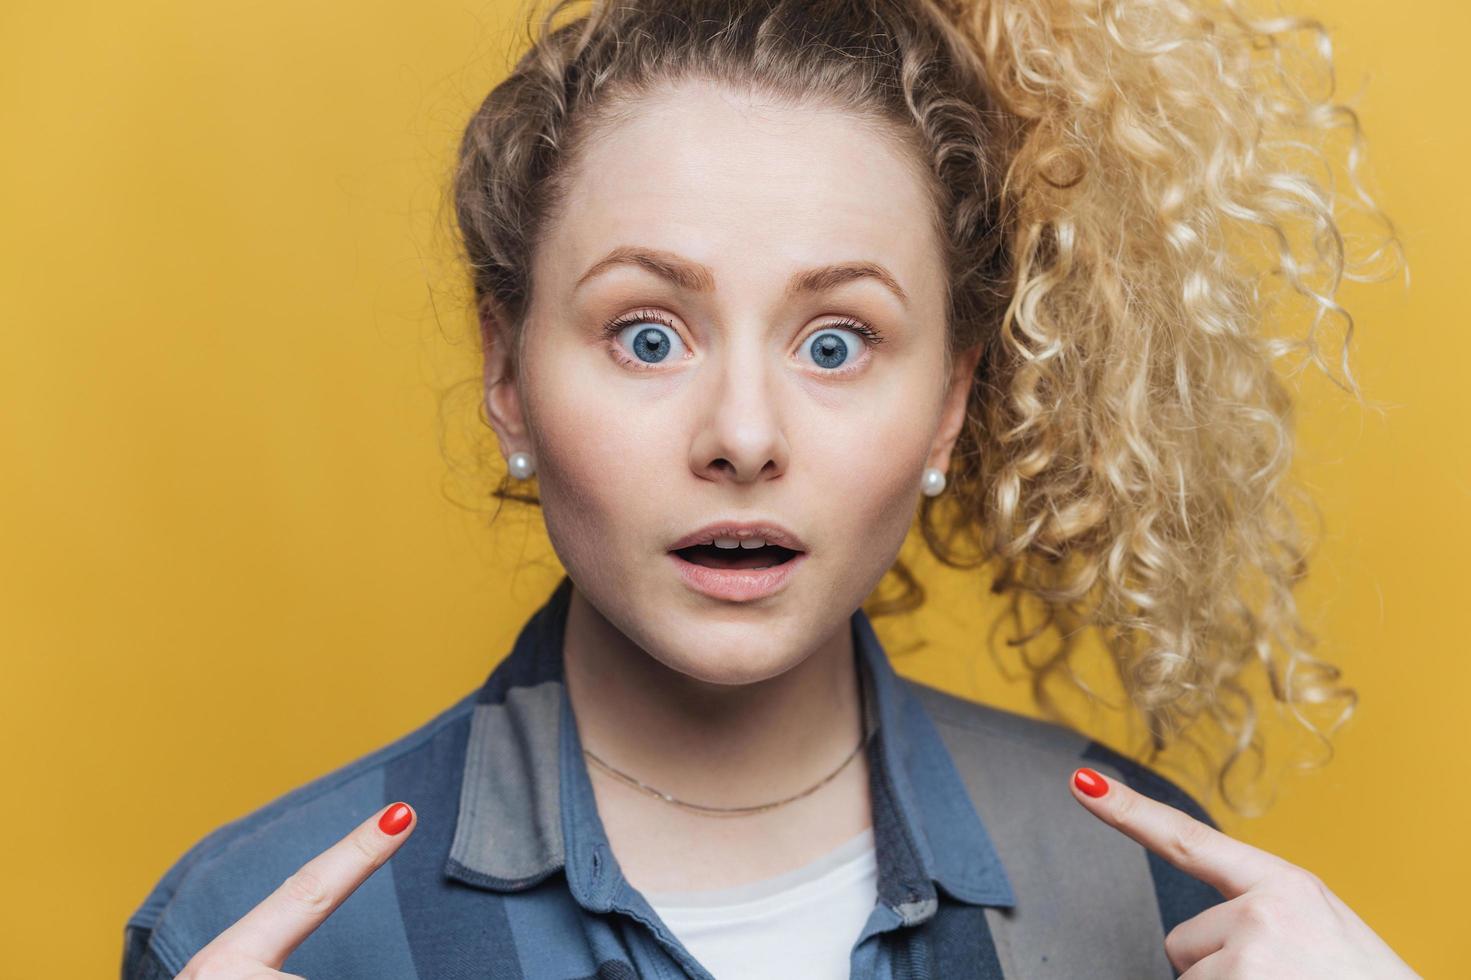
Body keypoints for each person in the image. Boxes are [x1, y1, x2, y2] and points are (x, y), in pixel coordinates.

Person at [122, 0, 1417, 977]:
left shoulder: (1148, 901)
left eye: (837, 342)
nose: (743, 436)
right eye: (647, 334)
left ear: (952, 403)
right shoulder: (258, 930)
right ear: (506, 372)